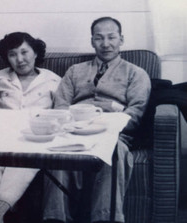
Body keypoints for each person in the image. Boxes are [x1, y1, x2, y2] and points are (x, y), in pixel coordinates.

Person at [42, 17, 151, 223]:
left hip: (114, 133)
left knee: (114, 151)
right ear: (92, 41)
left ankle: (105, 219)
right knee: (56, 149)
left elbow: (134, 115)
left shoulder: (136, 73)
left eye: (111, 37)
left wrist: (109, 109)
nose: (106, 43)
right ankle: (55, 218)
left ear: (121, 39)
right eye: (99, 38)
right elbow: (61, 106)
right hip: (73, 130)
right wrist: (79, 117)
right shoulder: (75, 71)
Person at [0, 32, 61, 223]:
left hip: (34, 138)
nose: (20, 59)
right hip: (0, 135)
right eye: (13, 54)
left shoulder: (53, 80)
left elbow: (62, 113)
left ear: (36, 53)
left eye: (24, 52)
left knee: (26, 156)